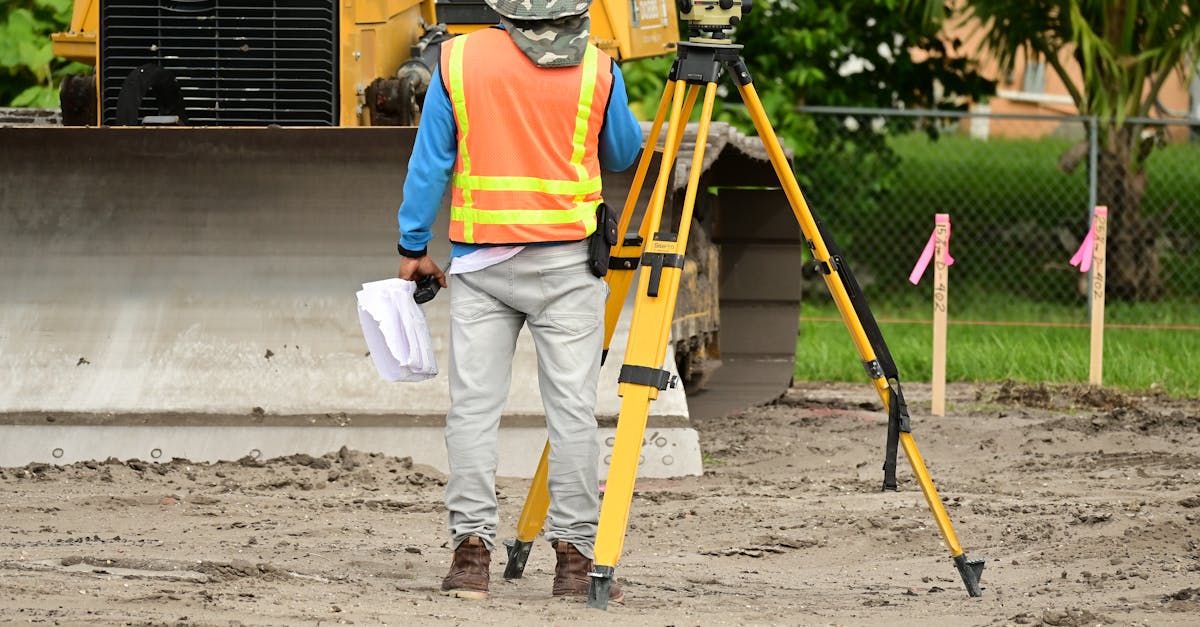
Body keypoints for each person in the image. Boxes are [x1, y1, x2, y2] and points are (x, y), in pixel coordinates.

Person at [394, 0, 642, 602]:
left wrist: (412, 244)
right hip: (567, 267)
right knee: (573, 413)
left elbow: (430, 163)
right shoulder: (598, 69)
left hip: (480, 265)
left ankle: (471, 559)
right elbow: (621, 154)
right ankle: (576, 564)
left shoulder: (456, 61)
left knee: (474, 409)